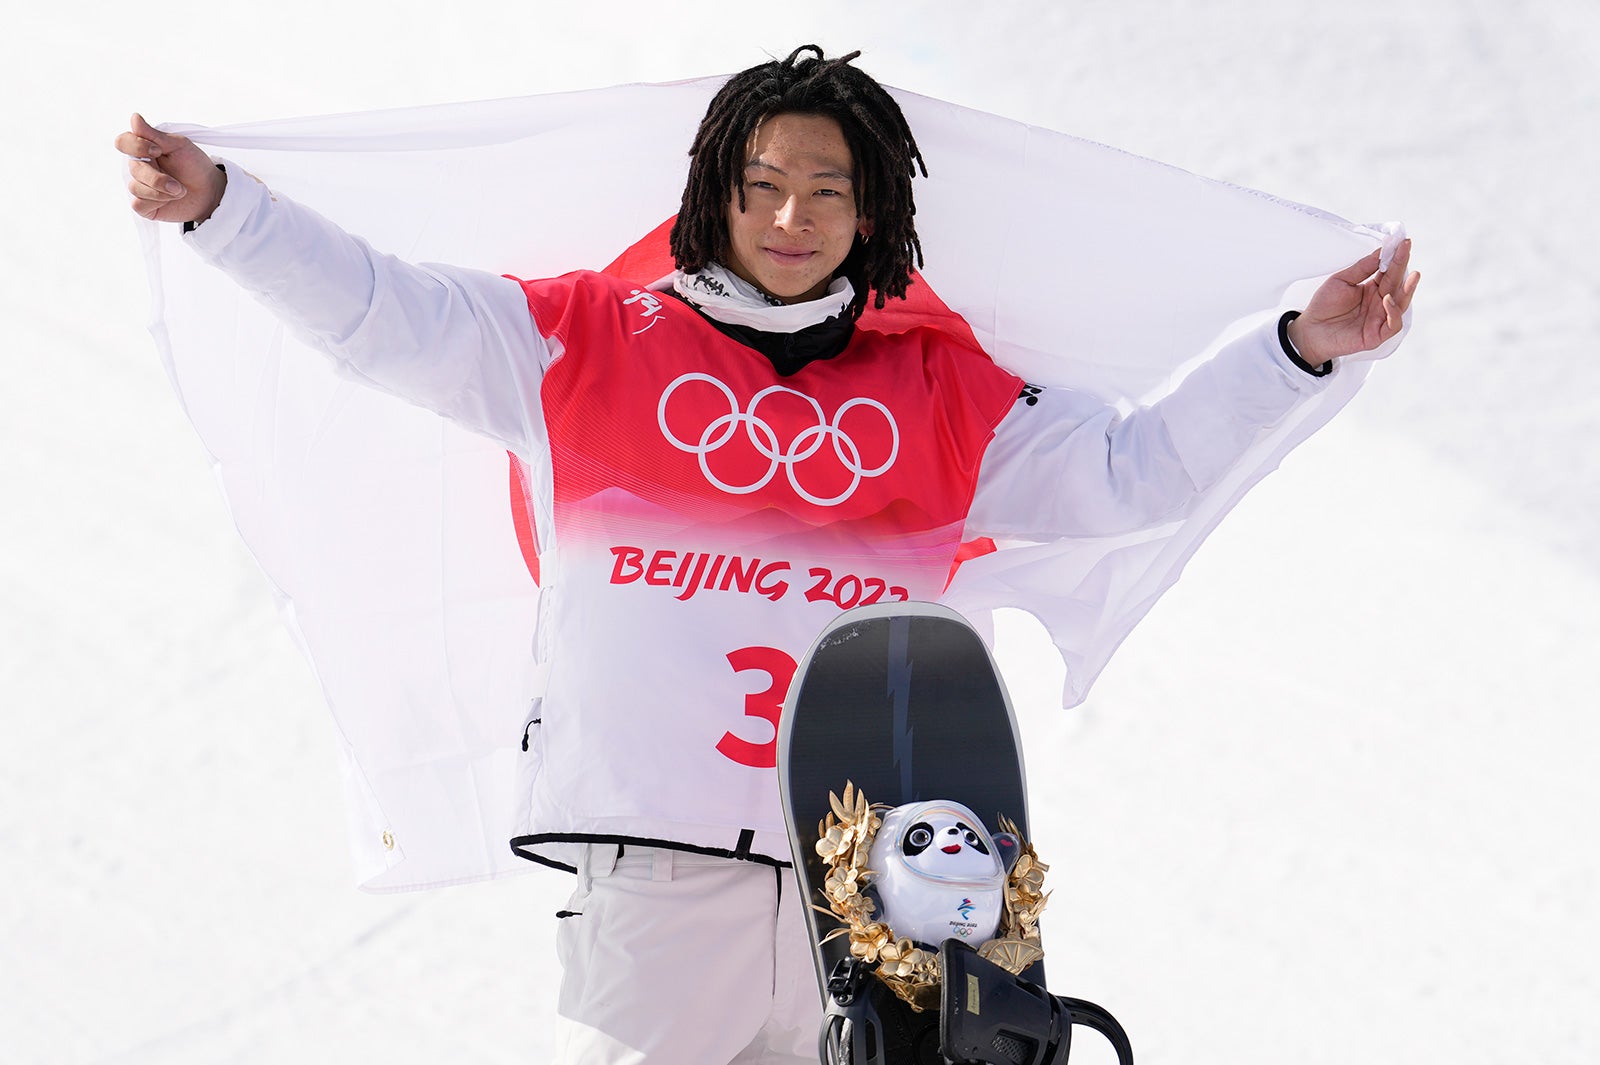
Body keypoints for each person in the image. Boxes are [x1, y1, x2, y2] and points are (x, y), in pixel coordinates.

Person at [117, 45, 1417, 1065]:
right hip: (654, 857)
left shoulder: (938, 390)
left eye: (829, 191)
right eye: (763, 186)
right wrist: (225, 212)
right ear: (715, 195)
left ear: (873, 212)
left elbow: (1131, 471)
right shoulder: (580, 340)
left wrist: (1297, 349)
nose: (793, 217)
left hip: (872, 880)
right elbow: (381, 312)